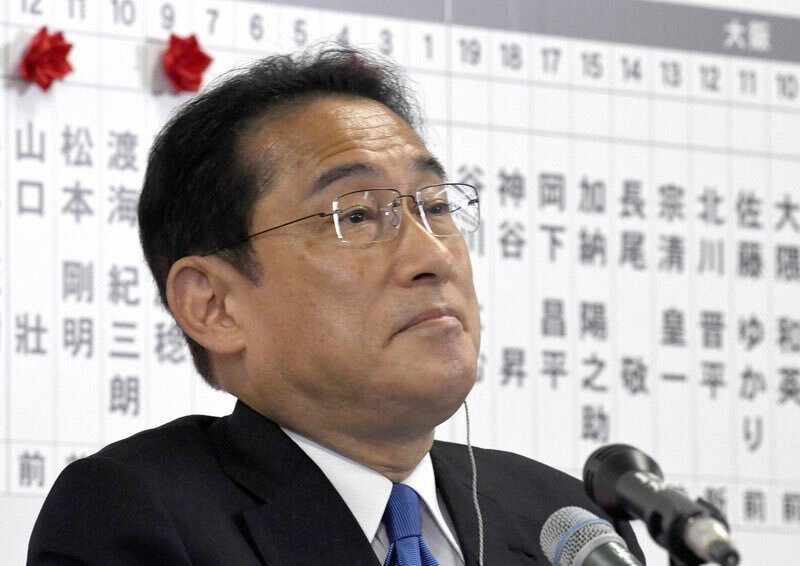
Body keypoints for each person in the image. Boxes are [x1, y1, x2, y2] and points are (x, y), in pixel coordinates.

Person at [28, 46, 644, 565]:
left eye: (435, 206)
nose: (433, 256)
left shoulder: (566, 524)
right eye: (356, 215)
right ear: (214, 305)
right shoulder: (136, 517)